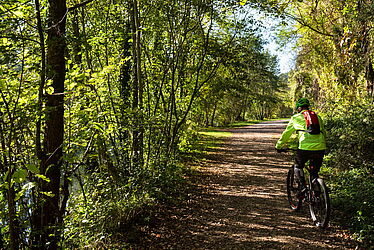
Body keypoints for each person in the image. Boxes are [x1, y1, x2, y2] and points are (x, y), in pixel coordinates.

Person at [275, 98, 326, 197]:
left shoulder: (296, 118)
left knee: (297, 166)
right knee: (314, 172)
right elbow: (323, 132)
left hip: (304, 148)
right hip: (320, 147)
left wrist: (279, 145)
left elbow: (287, 133)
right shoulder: (318, 117)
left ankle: (302, 187)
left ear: (299, 108)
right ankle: (317, 190)